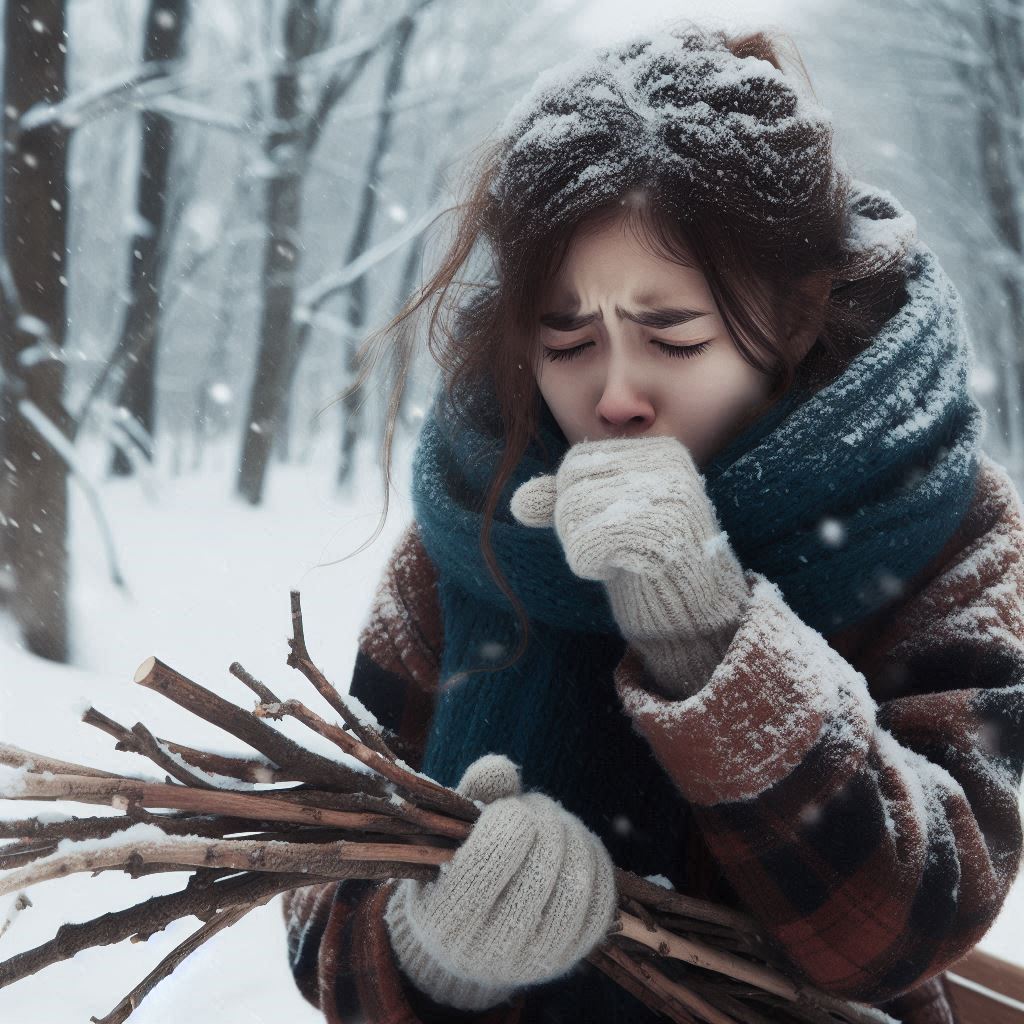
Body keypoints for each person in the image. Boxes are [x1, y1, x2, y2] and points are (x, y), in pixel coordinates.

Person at [282, 19, 1024, 1024]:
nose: (614, 392)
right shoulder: (475, 518)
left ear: (796, 313)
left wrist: (707, 629)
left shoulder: (943, 521)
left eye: (671, 335)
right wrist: (433, 949)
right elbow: (312, 862)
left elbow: (912, 913)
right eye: (568, 338)